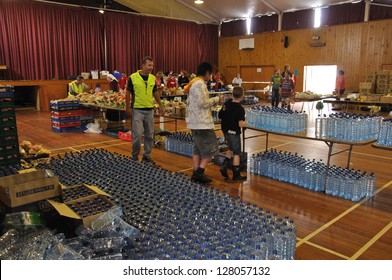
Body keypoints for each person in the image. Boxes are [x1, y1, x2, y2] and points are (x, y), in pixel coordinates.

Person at [185, 61, 222, 184]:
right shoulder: (200, 84)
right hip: (202, 123)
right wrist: (217, 99)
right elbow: (203, 103)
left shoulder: (194, 83)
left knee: (197, 149)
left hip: (195, 122)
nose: (211, 76)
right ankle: (199, 173)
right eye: (210, 74)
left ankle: (196, 172)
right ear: (207, 73)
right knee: (211, 150)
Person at [125, 56, 164, 164]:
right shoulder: (133, 77)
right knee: (137, 134)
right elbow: (128, 92)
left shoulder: (152, 78)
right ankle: (134, 156)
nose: (151, 67)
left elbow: (155, 92)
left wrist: (160, 105)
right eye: (149, 65)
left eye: (152, 65)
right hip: (137, 110)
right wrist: (127, 107)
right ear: (142, 65)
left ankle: (147, 155)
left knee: (149, 134)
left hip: (149, 110)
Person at [218, 86, 247, 181]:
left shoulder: (227, 103)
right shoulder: (240, 109)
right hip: (234, 132)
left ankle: (224, 166)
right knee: (237, 153)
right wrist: (246, 123)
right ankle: (236, 174)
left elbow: (220, 115)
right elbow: (240, 124)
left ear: (232, 94)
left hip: (225, 131)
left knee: (230, 148)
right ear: (242, 96)